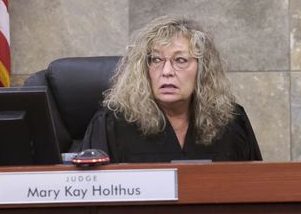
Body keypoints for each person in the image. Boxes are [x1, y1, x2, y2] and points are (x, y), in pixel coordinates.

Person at [80, 16, 262, 163]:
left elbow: (255, 188)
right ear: (144, 69)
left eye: (180, 60)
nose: (167, 72)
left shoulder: (231, 121)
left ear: (202, 69)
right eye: (156, 60)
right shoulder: (111, 123)